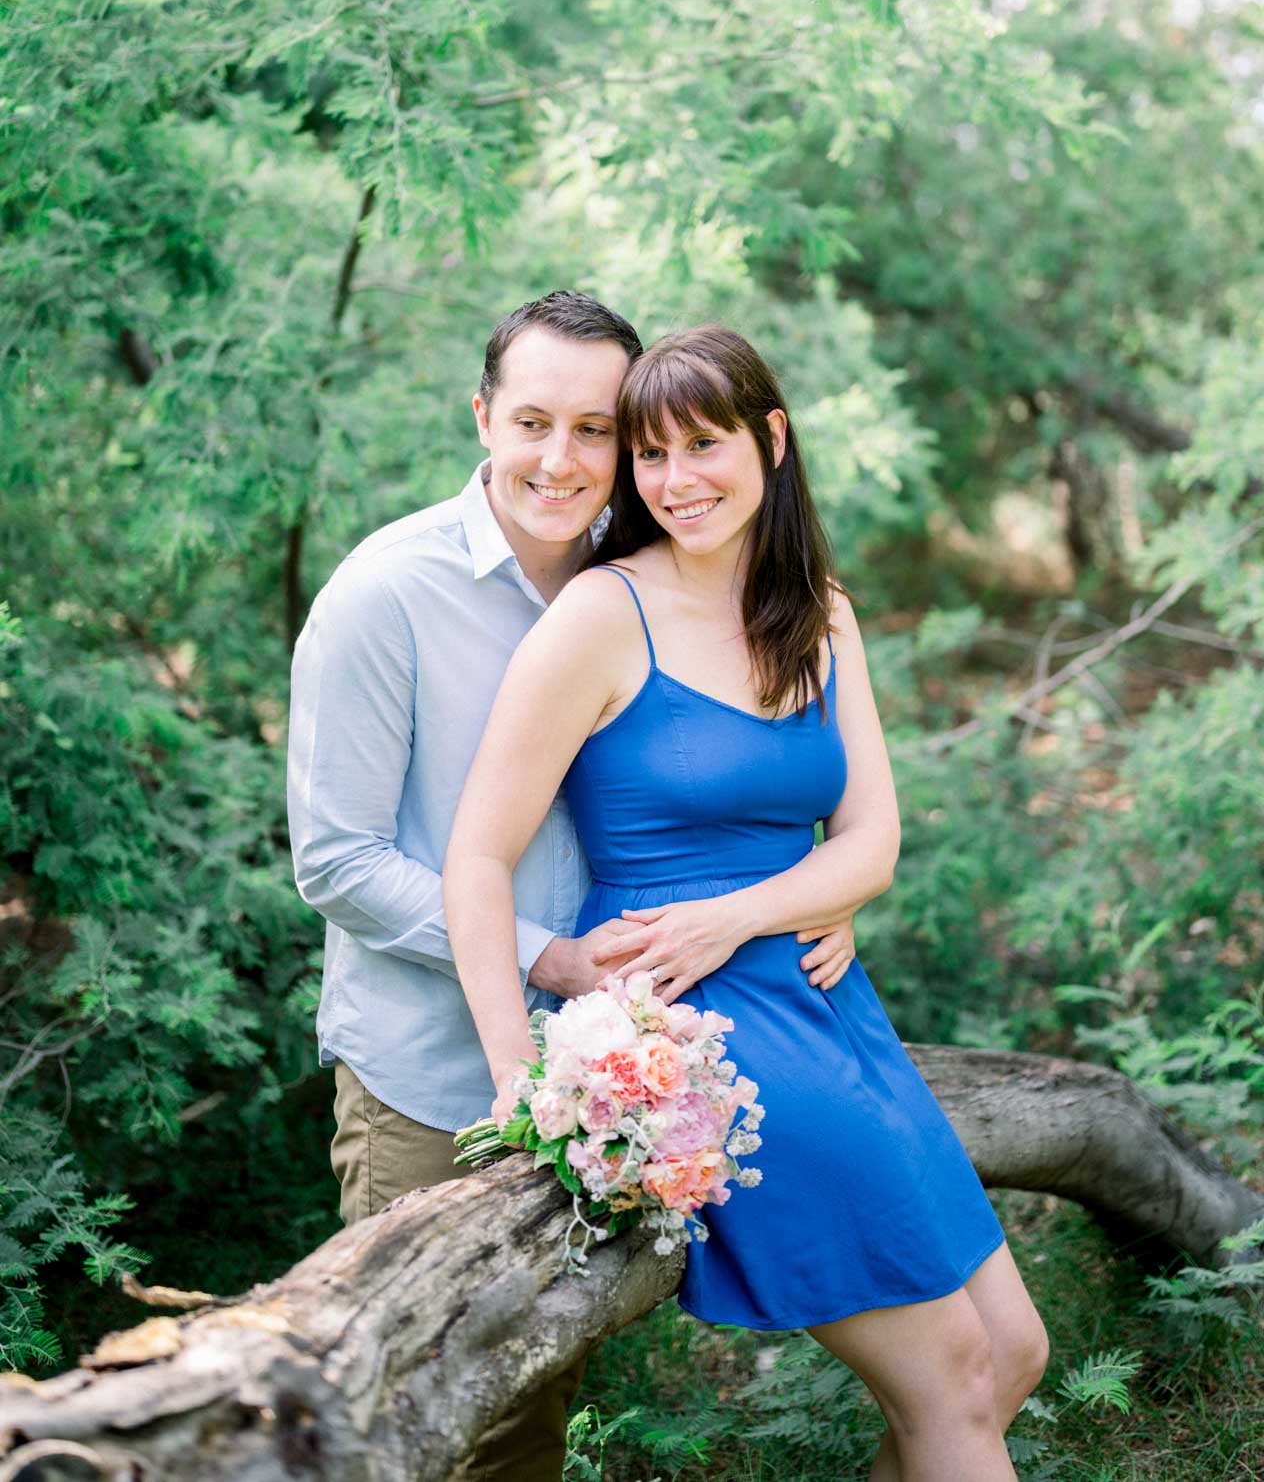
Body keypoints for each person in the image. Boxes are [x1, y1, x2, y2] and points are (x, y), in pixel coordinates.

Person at [444, 325, 1049, 1482]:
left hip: (821, 994)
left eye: (703, 445)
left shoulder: (816, 610)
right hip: (698, 1031)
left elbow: (870, 840)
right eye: (651, 455)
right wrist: (522, 1082)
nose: (675, 482)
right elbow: (476, 855)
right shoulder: (601, 615)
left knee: (1011, 1353)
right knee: (956, 1382)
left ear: (770, 437)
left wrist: (747, 911)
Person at [288, 295, 857, 1482]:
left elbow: (718, 780)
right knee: (406, 1416)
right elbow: (334, 859)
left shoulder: (650, 575)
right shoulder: (385, 596)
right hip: (430, 1077)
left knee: (525, 1421)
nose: (561, 459)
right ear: (483, 416)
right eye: (533, 420)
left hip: (621, 1080)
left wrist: (819, 886)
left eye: (594, 430)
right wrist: (544, 953)